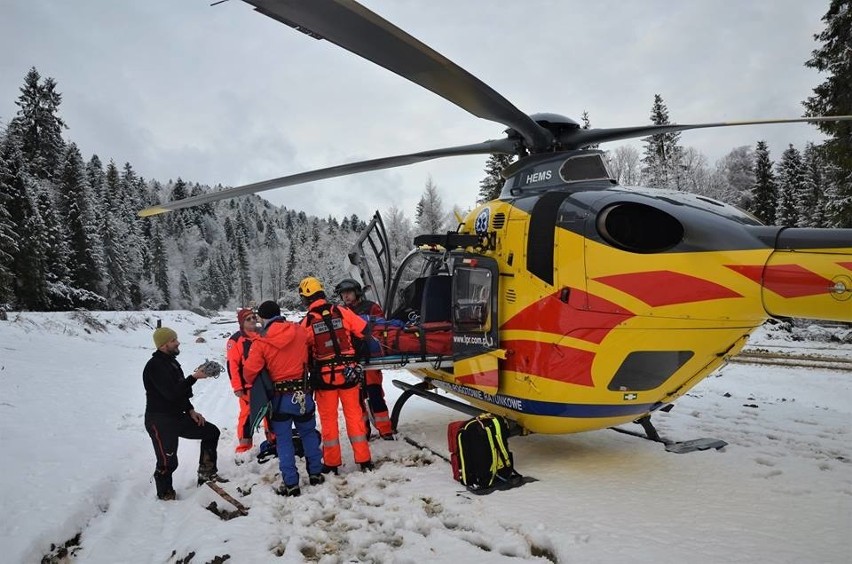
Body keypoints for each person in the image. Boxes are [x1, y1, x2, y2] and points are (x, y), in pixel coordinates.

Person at [242, 300, 324, 497]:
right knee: (309, 433)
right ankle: (315, 473)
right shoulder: (299, 331)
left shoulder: (260, 343)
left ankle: (291, 483)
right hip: (303, 395)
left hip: (280, 400)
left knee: (284, 441)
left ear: (262, 318)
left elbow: (249, 373)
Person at [299, 276, 374, 474]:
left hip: (324, 379)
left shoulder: (306, 322)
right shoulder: (342, 311)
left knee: (329, 421)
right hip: (348, 375)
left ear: (306, 298)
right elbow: (365, 331)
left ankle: (332, 464)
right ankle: (364, 460)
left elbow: (300, 350)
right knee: (355, 417)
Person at [143, 326, 226, 501]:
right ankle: (165, 494)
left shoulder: (171, 362)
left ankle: (207, 474)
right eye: (173, 340)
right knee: (168, 461)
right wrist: (194, 377)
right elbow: (171, 393)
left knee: (211, 432)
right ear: (164, 344)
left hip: (177, 416)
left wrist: (190, 410)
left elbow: (180, 393)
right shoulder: (154, 366)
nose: (178, 342)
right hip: (160, 421)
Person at [334, 278, 394, 440]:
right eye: (343, 294)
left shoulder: (371, 308)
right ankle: (363, 430)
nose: (345, 296)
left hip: (371, 359)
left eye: (348, 292)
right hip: (352, 360)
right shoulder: (340, 311)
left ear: (357, 292)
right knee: (357, 398)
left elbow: (381, 329)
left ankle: (385, 429)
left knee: (375, 394)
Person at [226, 308, 274, 454]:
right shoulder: (235, 340)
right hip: (248, 386)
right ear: (241, 323)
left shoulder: (264, 334)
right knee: (247, 415)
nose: (252, 320)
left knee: (271, 412)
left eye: (254, 317)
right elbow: (232, 365)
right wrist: (237, 387)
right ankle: (244, 447)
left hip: (267, 382)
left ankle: (273, 440)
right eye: (248, 319)